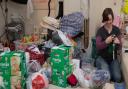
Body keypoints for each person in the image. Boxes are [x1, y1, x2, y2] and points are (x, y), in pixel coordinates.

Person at [96, 8, 122, 82]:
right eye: (106, 20)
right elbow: (98, 46)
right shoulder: (100, 31)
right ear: (104, 19)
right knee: (107, 78)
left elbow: (120, 47)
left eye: (110, 19)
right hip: (102, 58)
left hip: (113, 59)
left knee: (117, 78)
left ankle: (108, 69)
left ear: (113, 19)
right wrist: (106, 42)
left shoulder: (116, 30)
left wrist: (118, 43)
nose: (108, 22)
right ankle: (103, 69)